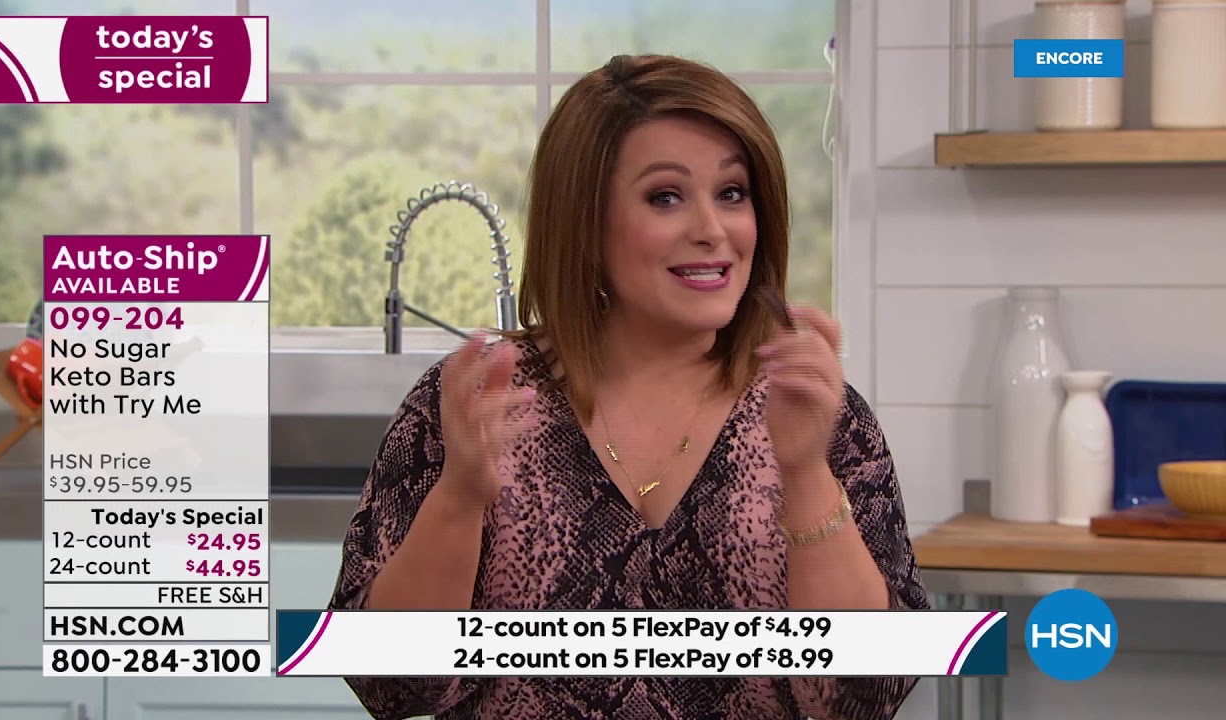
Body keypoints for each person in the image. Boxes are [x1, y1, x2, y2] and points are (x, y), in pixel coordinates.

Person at [329, 53, 931, 719]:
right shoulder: (473, 402)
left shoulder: (814, 408)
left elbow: (863, 698)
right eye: (665, 197)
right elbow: (389, 684)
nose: (712, 230)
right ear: (584, 223)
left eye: (732, 193)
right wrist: (461, 494)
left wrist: (807, 473)